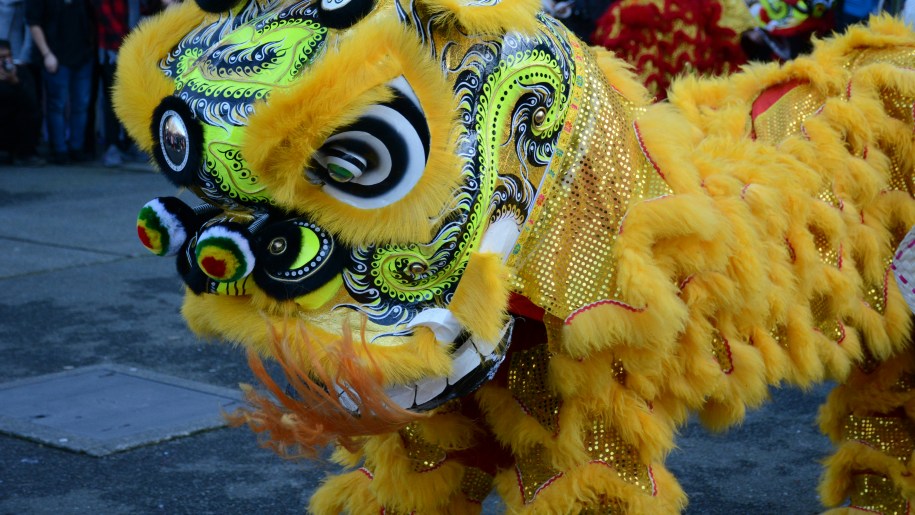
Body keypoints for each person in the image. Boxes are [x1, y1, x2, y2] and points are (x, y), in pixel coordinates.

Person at [26, 0, 95, 165]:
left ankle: (76, 148)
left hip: (82, 55)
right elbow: (33, 22)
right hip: (55, 55)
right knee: (57, 105)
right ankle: (59, 149)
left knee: (81, 105)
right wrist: (46, 53)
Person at [0, 38, 43, 166]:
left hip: (15, 123)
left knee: (32, 114)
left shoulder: (21, 71)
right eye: (1, 57)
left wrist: (15, 81)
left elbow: (31, 102)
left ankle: (25, 154)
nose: (4, 61)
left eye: (7, 56)